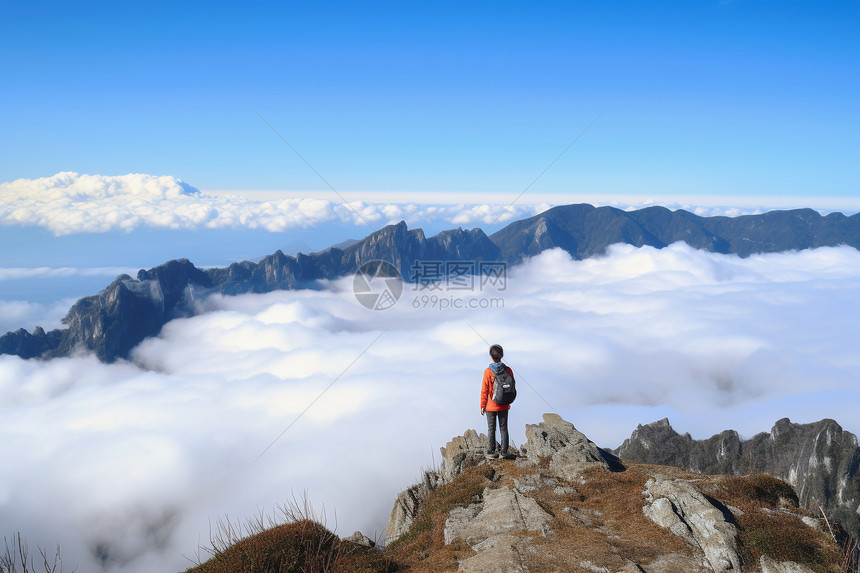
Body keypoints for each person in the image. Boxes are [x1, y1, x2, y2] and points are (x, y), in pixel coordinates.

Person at [480, 344, 515, 459]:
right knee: (503, 428)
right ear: (502, 355)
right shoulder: (508, 370)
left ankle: (491, 452)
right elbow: (512, 386)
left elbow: (484, 389)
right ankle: (504, 452)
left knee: (491, 428)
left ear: (491, 356)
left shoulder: (488, 371)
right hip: (504, 404)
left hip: (490, 406)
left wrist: (482, 405)